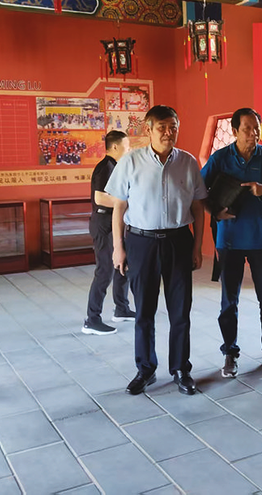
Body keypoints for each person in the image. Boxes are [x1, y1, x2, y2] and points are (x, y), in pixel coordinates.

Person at [107, 105, 207, 396]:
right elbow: (119, 207)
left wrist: (197, 246)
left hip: (179, 241)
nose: (168, 132)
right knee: (144, 311)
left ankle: (180, 369)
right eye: (162, 127)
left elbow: (198, 208)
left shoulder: (188, 162)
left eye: (173, 127)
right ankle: (145, 369)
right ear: (148, 130)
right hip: (142, 242)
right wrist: (118, 248)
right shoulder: (131, 161)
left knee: (180, 311)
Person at [201, 108, 262, 379]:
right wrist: (215, 213)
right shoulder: (220, 158)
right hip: (229, 240)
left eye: (257, 128)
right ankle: (230, 353)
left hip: (261, 238)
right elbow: (199, 191)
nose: (254, 133)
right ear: (235, 130)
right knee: (229, 302)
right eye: (247, 129)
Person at [82, 130, 135, 335]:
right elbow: (100, 198)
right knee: (104, 271)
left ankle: (121, 308)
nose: (129, 150)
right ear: (114, 147)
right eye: (126, 147)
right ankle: (92, 320)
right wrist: (127, 202)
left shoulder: (116, 166)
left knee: (122, 266)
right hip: (103, 224)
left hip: (115, 222)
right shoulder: (106, 167)